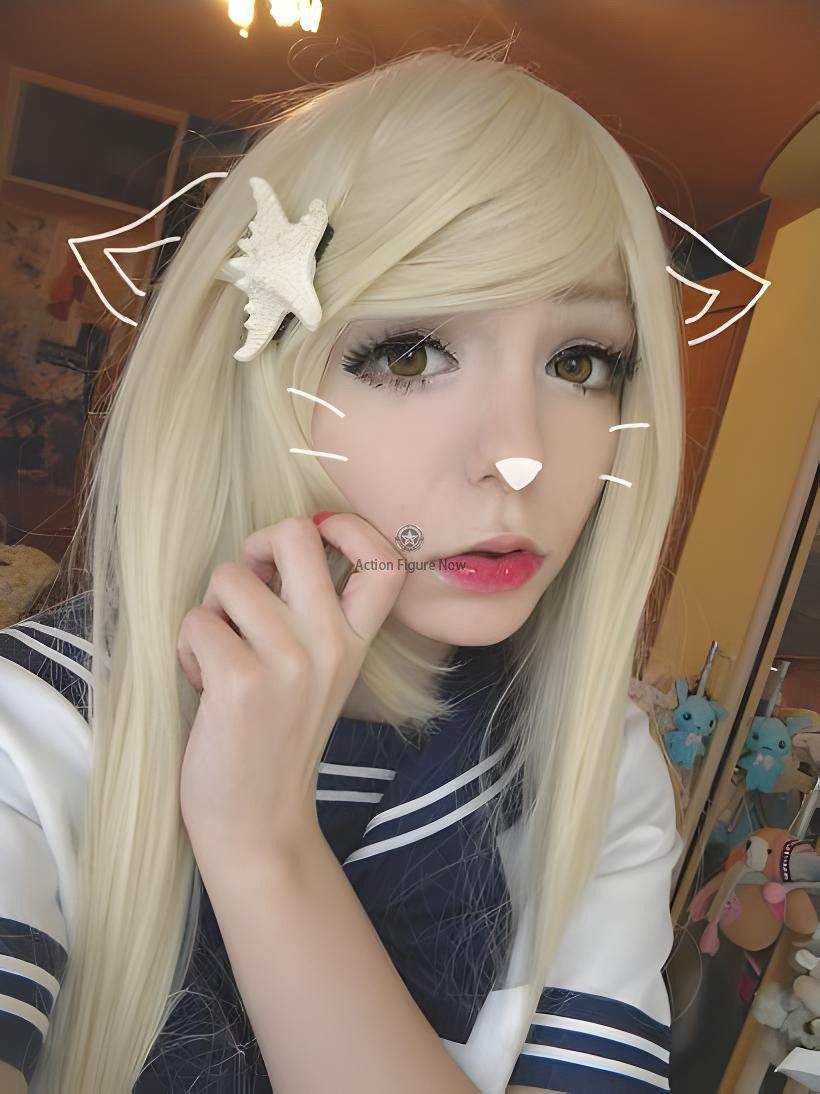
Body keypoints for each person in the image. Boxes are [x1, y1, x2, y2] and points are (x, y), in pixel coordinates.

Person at [0, 42, 686, 1093]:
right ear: (254, 381)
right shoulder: (31, 728)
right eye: (411, 354)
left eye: (579, 361)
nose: (518, 455)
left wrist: (264, 845)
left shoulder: (596, 766)